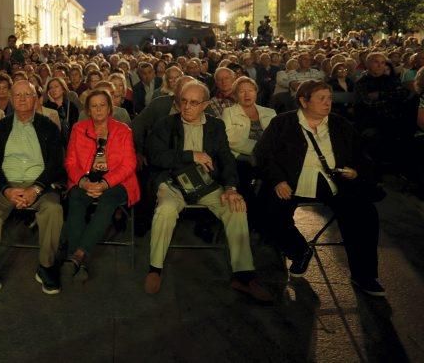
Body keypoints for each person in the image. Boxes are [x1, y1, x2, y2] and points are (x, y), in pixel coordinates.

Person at [144, 81, 272, 303]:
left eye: (194, 103)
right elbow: (156, 157)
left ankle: (243, 275)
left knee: (236, 208)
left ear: (204, 105)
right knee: (165, 210)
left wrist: (231, 188)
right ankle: (155, 269)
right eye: (183, 101)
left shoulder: (215, 126)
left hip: (206, 184)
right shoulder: (166, 124)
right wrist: (191, 155)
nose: (187, 107)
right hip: (173, 183)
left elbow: (226, 159)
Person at [255, 80, 385, 296]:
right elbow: (263, 154)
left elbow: (360, 155)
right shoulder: (283, 123)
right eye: (321, 99)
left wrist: (355, 171)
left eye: (330, 98)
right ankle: (300, 250)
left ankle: (364, 275)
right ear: (304, 101)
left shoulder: (339, 124)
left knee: (364, 213)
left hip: (334, 182)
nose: (328, 103)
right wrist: (278, 180)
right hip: (291, 181)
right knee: (268, 212)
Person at [0, 81, 65, 302]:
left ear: (36, 99)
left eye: (28, 94)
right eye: (17, 95)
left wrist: (36, 188)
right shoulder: (0, 128)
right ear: (11, 100)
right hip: (7, 183)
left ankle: (46, 266)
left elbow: (55, 164)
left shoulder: (48, 127)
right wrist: (6, 190)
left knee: (53, 209)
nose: (22, 99)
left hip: (39, 183)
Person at [63, 88, 139, 282]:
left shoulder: (123, 130)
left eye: (102, 106)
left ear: (109, 108)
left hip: (117, 180)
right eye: (93, 106)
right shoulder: (79, 129)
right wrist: (84, 182)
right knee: (76, 198)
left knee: (108, 200)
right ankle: (78, 261)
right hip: (86, 178)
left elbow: (129, 164)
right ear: (88, 110)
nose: (98, 110)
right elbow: (70, 162)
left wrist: (105, 183)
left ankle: (77, 255)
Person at [221, 77, 276, 226]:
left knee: (274, 182)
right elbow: (230, 139)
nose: (247, 94)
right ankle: (250, 223)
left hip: (267, 158)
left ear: (256, 92)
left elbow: (277, 138)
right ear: (235, 95)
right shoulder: (229, 112)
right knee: (245, 178)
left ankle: (269, 223)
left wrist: (262, 153)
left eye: (250, 90)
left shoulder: (270, 112)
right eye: (242, 91)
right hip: (240, 158)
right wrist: (257, 151)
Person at [43, 77, 79, 146]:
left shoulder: (71, 106)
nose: (53, 90)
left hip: (68, 143)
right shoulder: (45, 107)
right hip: (51, 145)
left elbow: (74, 128)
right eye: (51, 88)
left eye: (56, 86)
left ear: (63, 89)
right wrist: (53, 105)